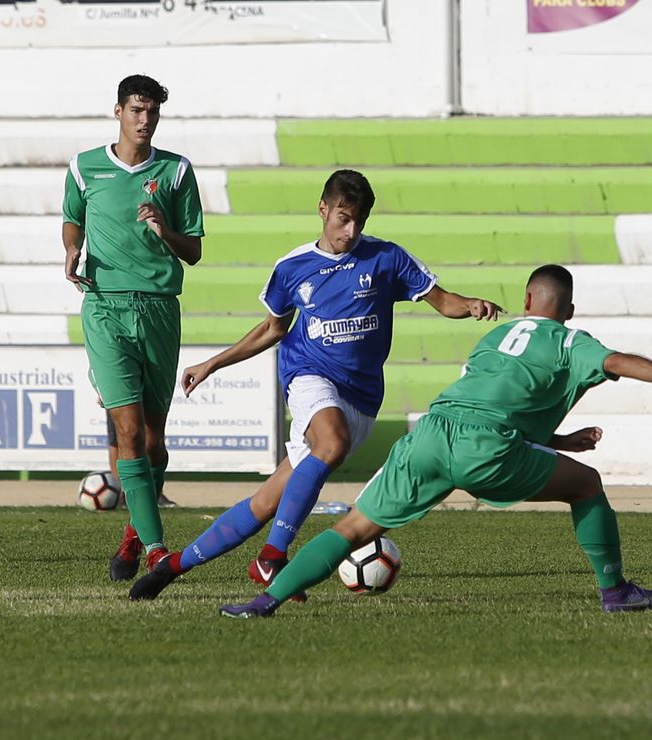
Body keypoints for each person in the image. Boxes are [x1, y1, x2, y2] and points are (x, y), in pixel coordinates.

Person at [205, 264, 652, 618]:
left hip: (431, 434)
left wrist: (560, 439)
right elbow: (616, 362)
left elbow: (493, 397)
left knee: (355, 526)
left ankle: (264, 602)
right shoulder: (572, 340)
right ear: (566, 311)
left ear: (526, 301)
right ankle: (615, 591)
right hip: (487, 447)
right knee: (587, 485)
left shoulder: (496, 336)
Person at [128, 169, 503, 602]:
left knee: (268, 500)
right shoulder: (293, 267)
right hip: (309, 376)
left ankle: (172, 567)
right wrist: (213, 363)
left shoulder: (386, 258)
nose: (351, 230)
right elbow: (272, 329)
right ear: (323, 209)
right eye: (343, 218)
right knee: (331, 442)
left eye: (359, 220)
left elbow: (443, 300)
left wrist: (471, 305)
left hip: (361, 397)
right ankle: (273, 554)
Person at [63, 74, 203, 581]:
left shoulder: (176, 171)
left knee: (153, 441)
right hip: (104, 307)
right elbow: (72, 219)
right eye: (137, 110)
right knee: (127, 432)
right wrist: (71, 247)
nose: (145, 121)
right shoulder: (84, 167)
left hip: (160, 309)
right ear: (118, 111)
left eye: (152, 113)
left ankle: (131, 537)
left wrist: (164, 230)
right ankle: (156, 550)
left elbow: (194, 251)